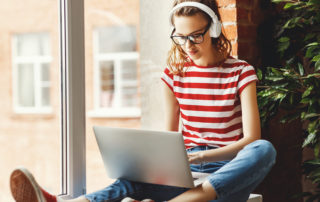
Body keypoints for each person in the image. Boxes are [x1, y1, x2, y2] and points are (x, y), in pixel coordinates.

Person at [9, 0, 277, 202]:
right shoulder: (174, 74)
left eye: (196, 35)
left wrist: (202, 156)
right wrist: (161, 162)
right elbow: (169, 139)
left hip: (229, 175)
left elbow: (251, 139)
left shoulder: (241, 71)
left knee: (264, 149)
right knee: (129, 179)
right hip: (185, 174)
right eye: (181, 36)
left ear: (215, 28)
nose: (188, 45)